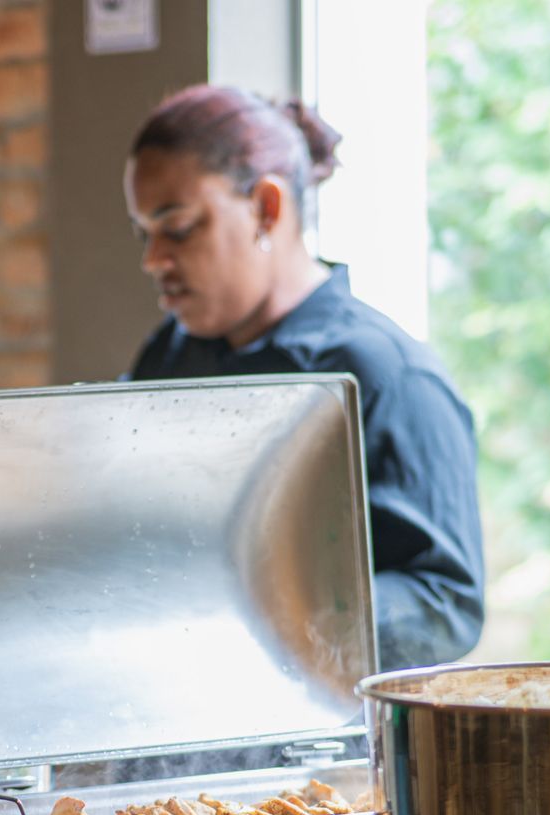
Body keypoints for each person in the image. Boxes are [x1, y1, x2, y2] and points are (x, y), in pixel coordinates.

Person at [124, 86, 485, 670]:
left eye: (179, 227)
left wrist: (278, 614)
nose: (152, 260)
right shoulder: (170, 357)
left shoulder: (389, 377)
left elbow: (444, 605)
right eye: (144, 233)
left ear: (266, 208)